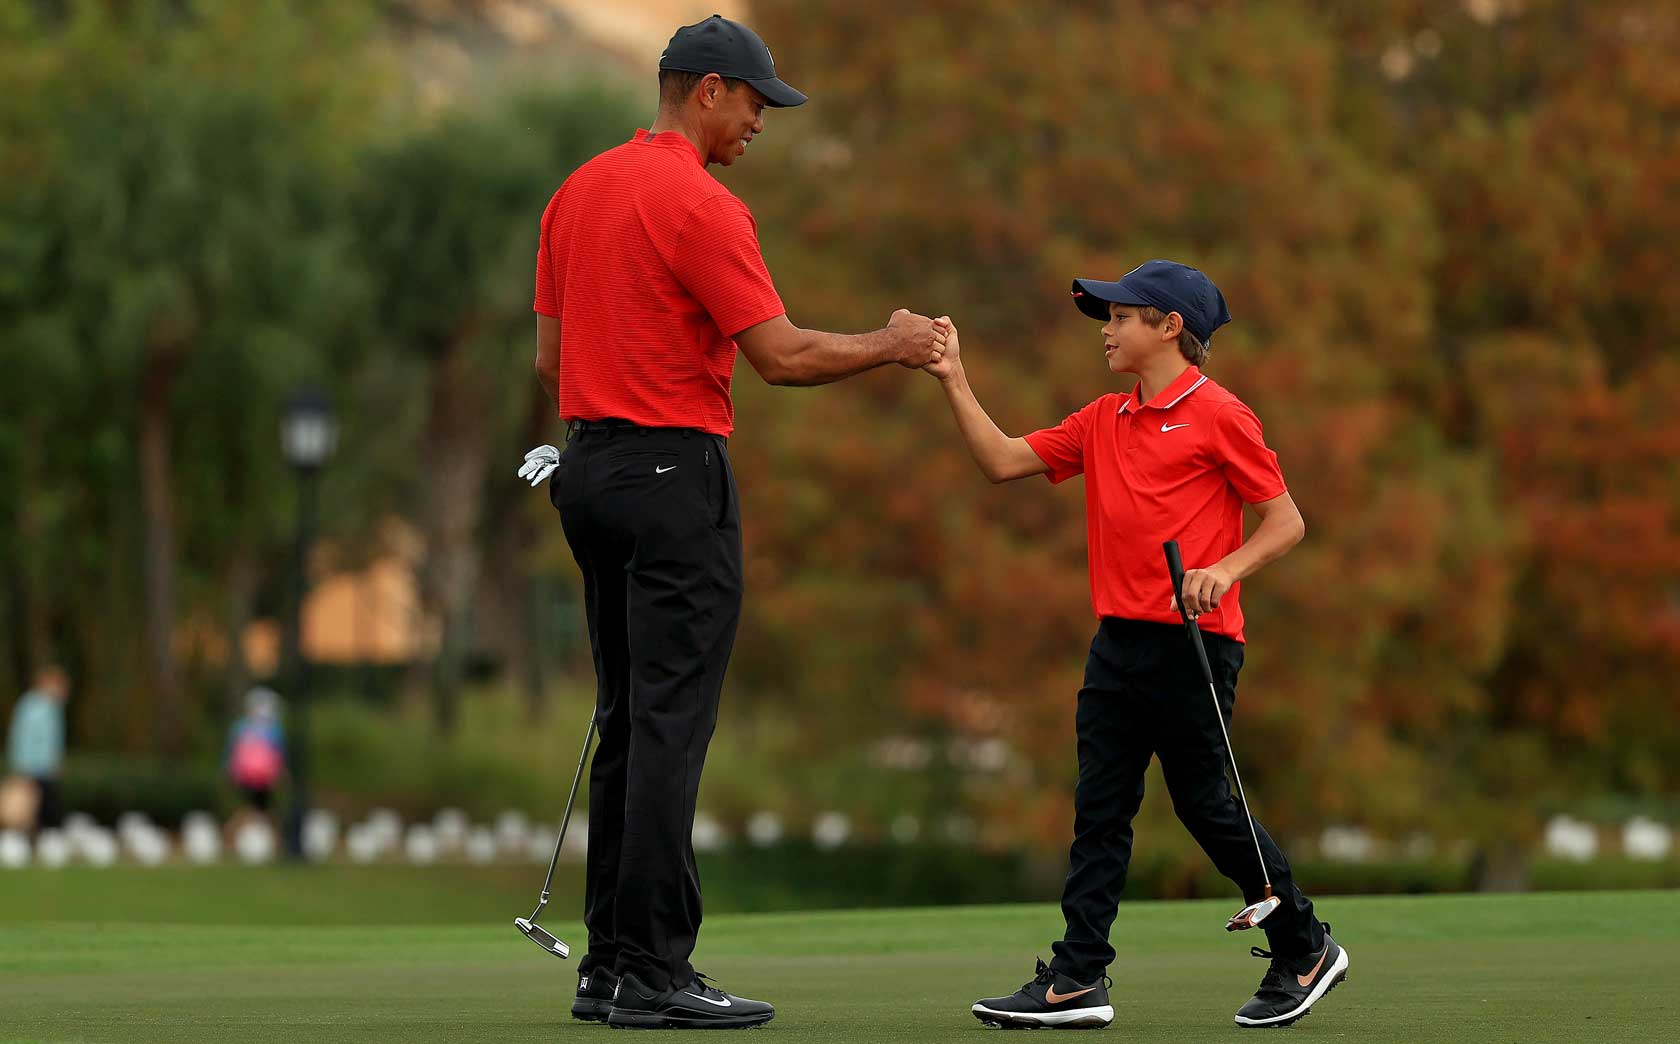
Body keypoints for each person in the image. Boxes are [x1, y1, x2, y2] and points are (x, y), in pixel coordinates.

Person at [521, 14, 945, 1031]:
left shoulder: (576, 191)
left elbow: (547, 361)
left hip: (588, 470)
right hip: (674, 476)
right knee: (670, 723)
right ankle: (655, 972)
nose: (761, 121)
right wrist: (892, 344)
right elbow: (782, 357)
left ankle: (608, 967)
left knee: (628, 717)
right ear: (707, 89)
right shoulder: (702, 204)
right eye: (756, 102)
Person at [925, 261, 1347, 1030]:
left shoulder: (1221, 415)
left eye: (1121, 317)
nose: (1107, 330)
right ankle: (1077, 978)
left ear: (1169, 327)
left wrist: (1224, 569)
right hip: (1116, 643)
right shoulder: (1101, 419)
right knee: (1100, 810)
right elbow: (1001, 460)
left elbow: (1286, 522)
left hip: (1194, 644)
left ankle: (1306, 944)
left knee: (1205, 807)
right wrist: (953, 375)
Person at [5, 665, 68, 834]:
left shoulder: (53, 708)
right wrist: (21, 769)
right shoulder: (31, 706)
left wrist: (55, 763)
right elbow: (20, 738)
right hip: (32, 770)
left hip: (46, 770)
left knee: (45, 811)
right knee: (30, 812)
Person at [224, 687, 286, 826]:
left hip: (247, 776)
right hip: (263, 777)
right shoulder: (274, 729)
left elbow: (230, 751)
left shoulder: (240, 727)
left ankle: (237, 828)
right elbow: (280, 753)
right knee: (261, 808)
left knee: (252, 807)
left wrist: (229, 770)